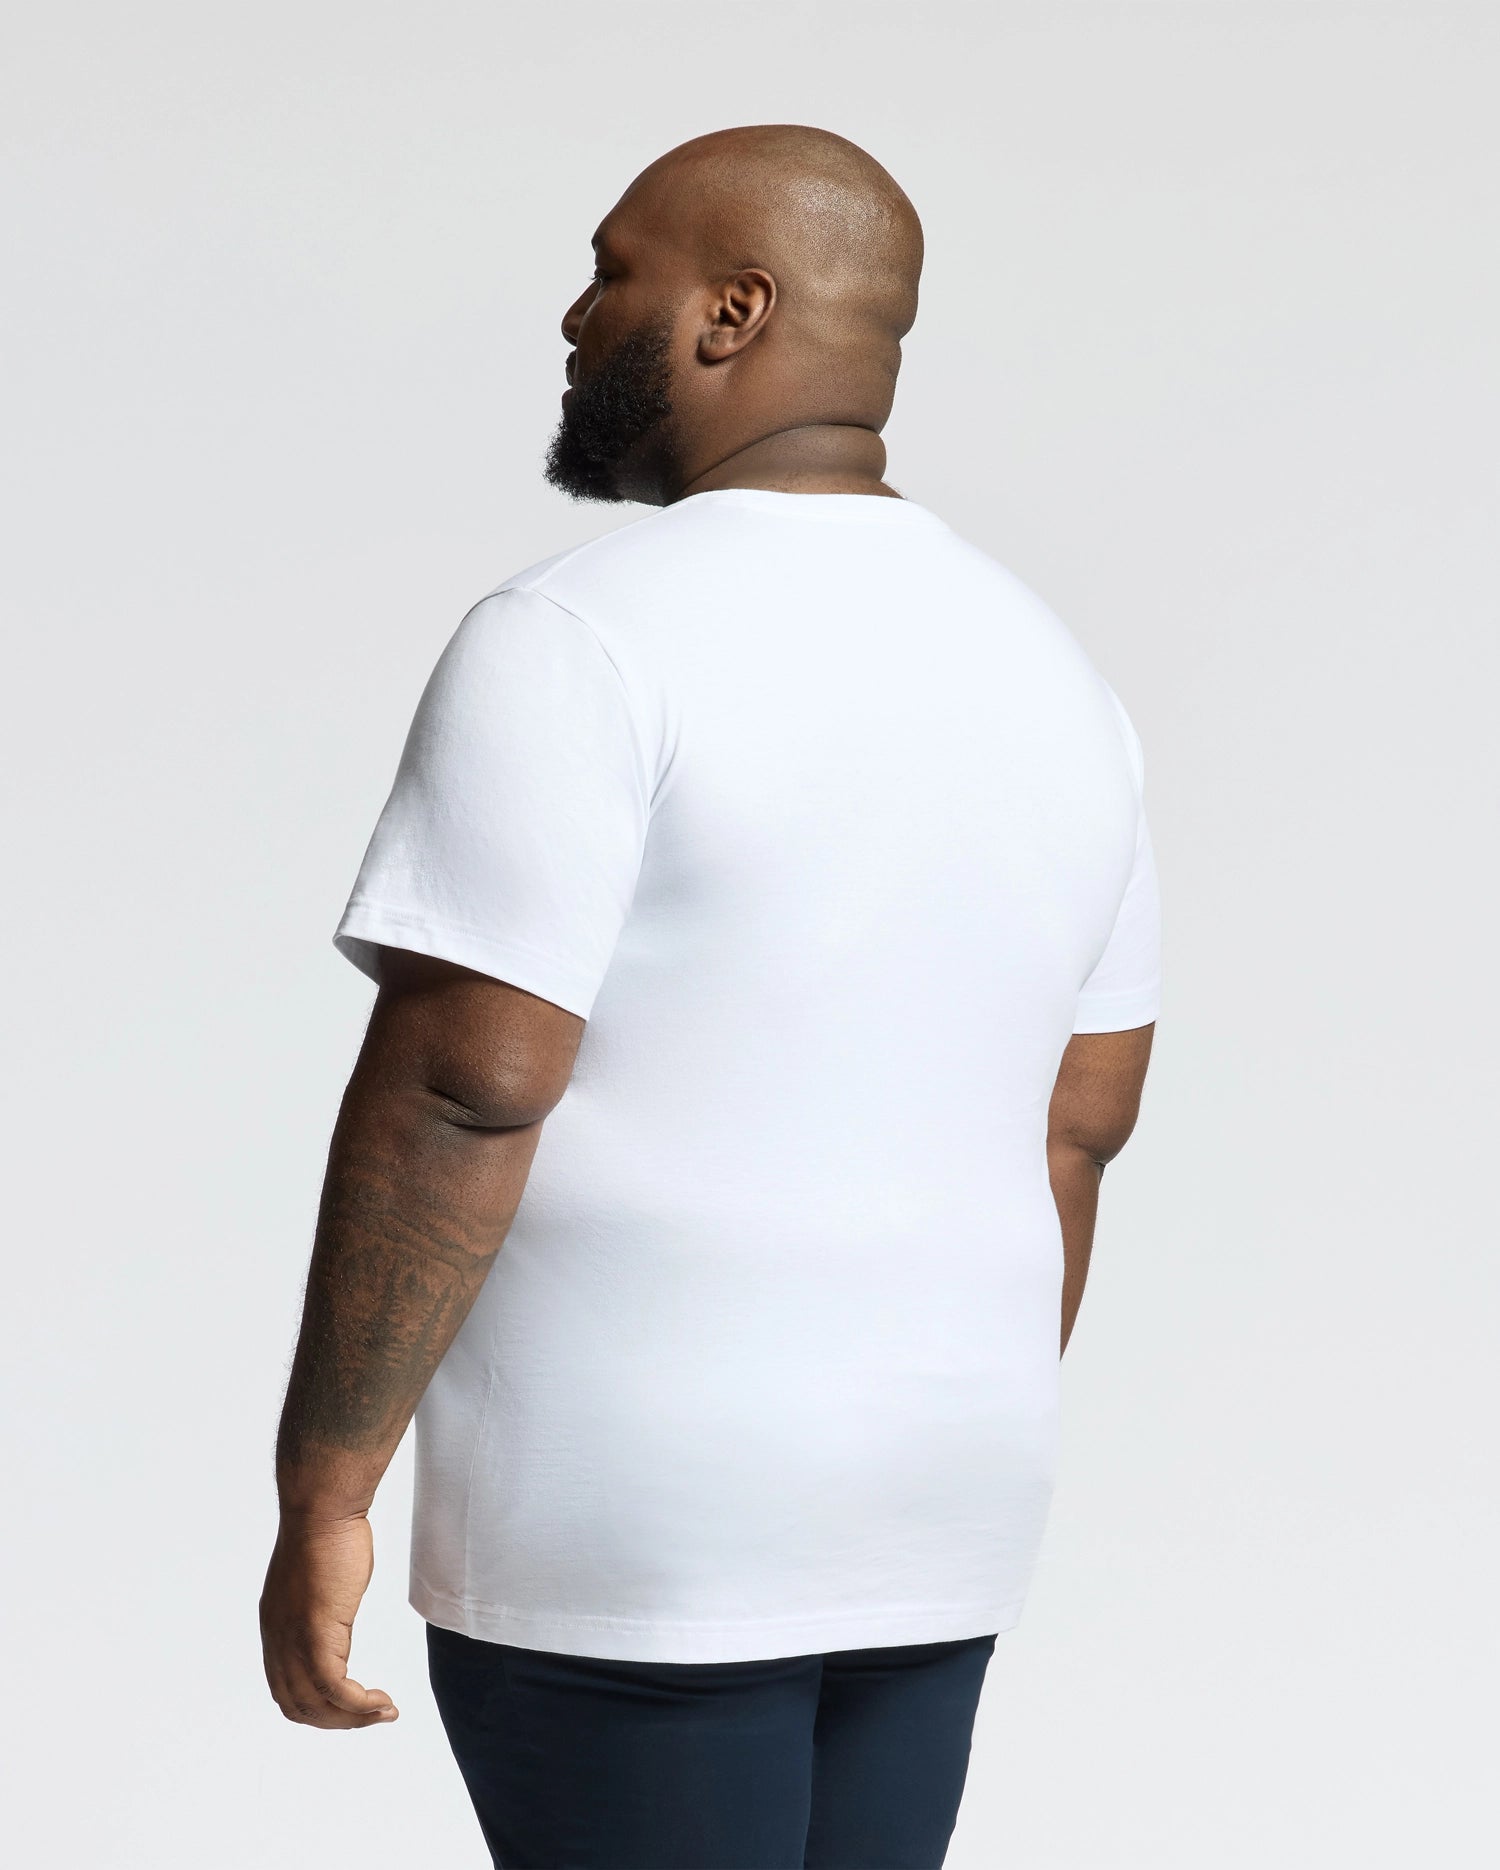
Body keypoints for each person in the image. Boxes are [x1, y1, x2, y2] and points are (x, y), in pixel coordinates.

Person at [259, 122, 1161, 1869]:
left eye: (614, 271)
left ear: (732, 311)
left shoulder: (580, 637)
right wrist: (917, 1425)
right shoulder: (1060, 675)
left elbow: (466, 1085)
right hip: (942, 1494)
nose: (576, 316)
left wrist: (329, 1483)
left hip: (635, 1521)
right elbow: (1082, 1122)